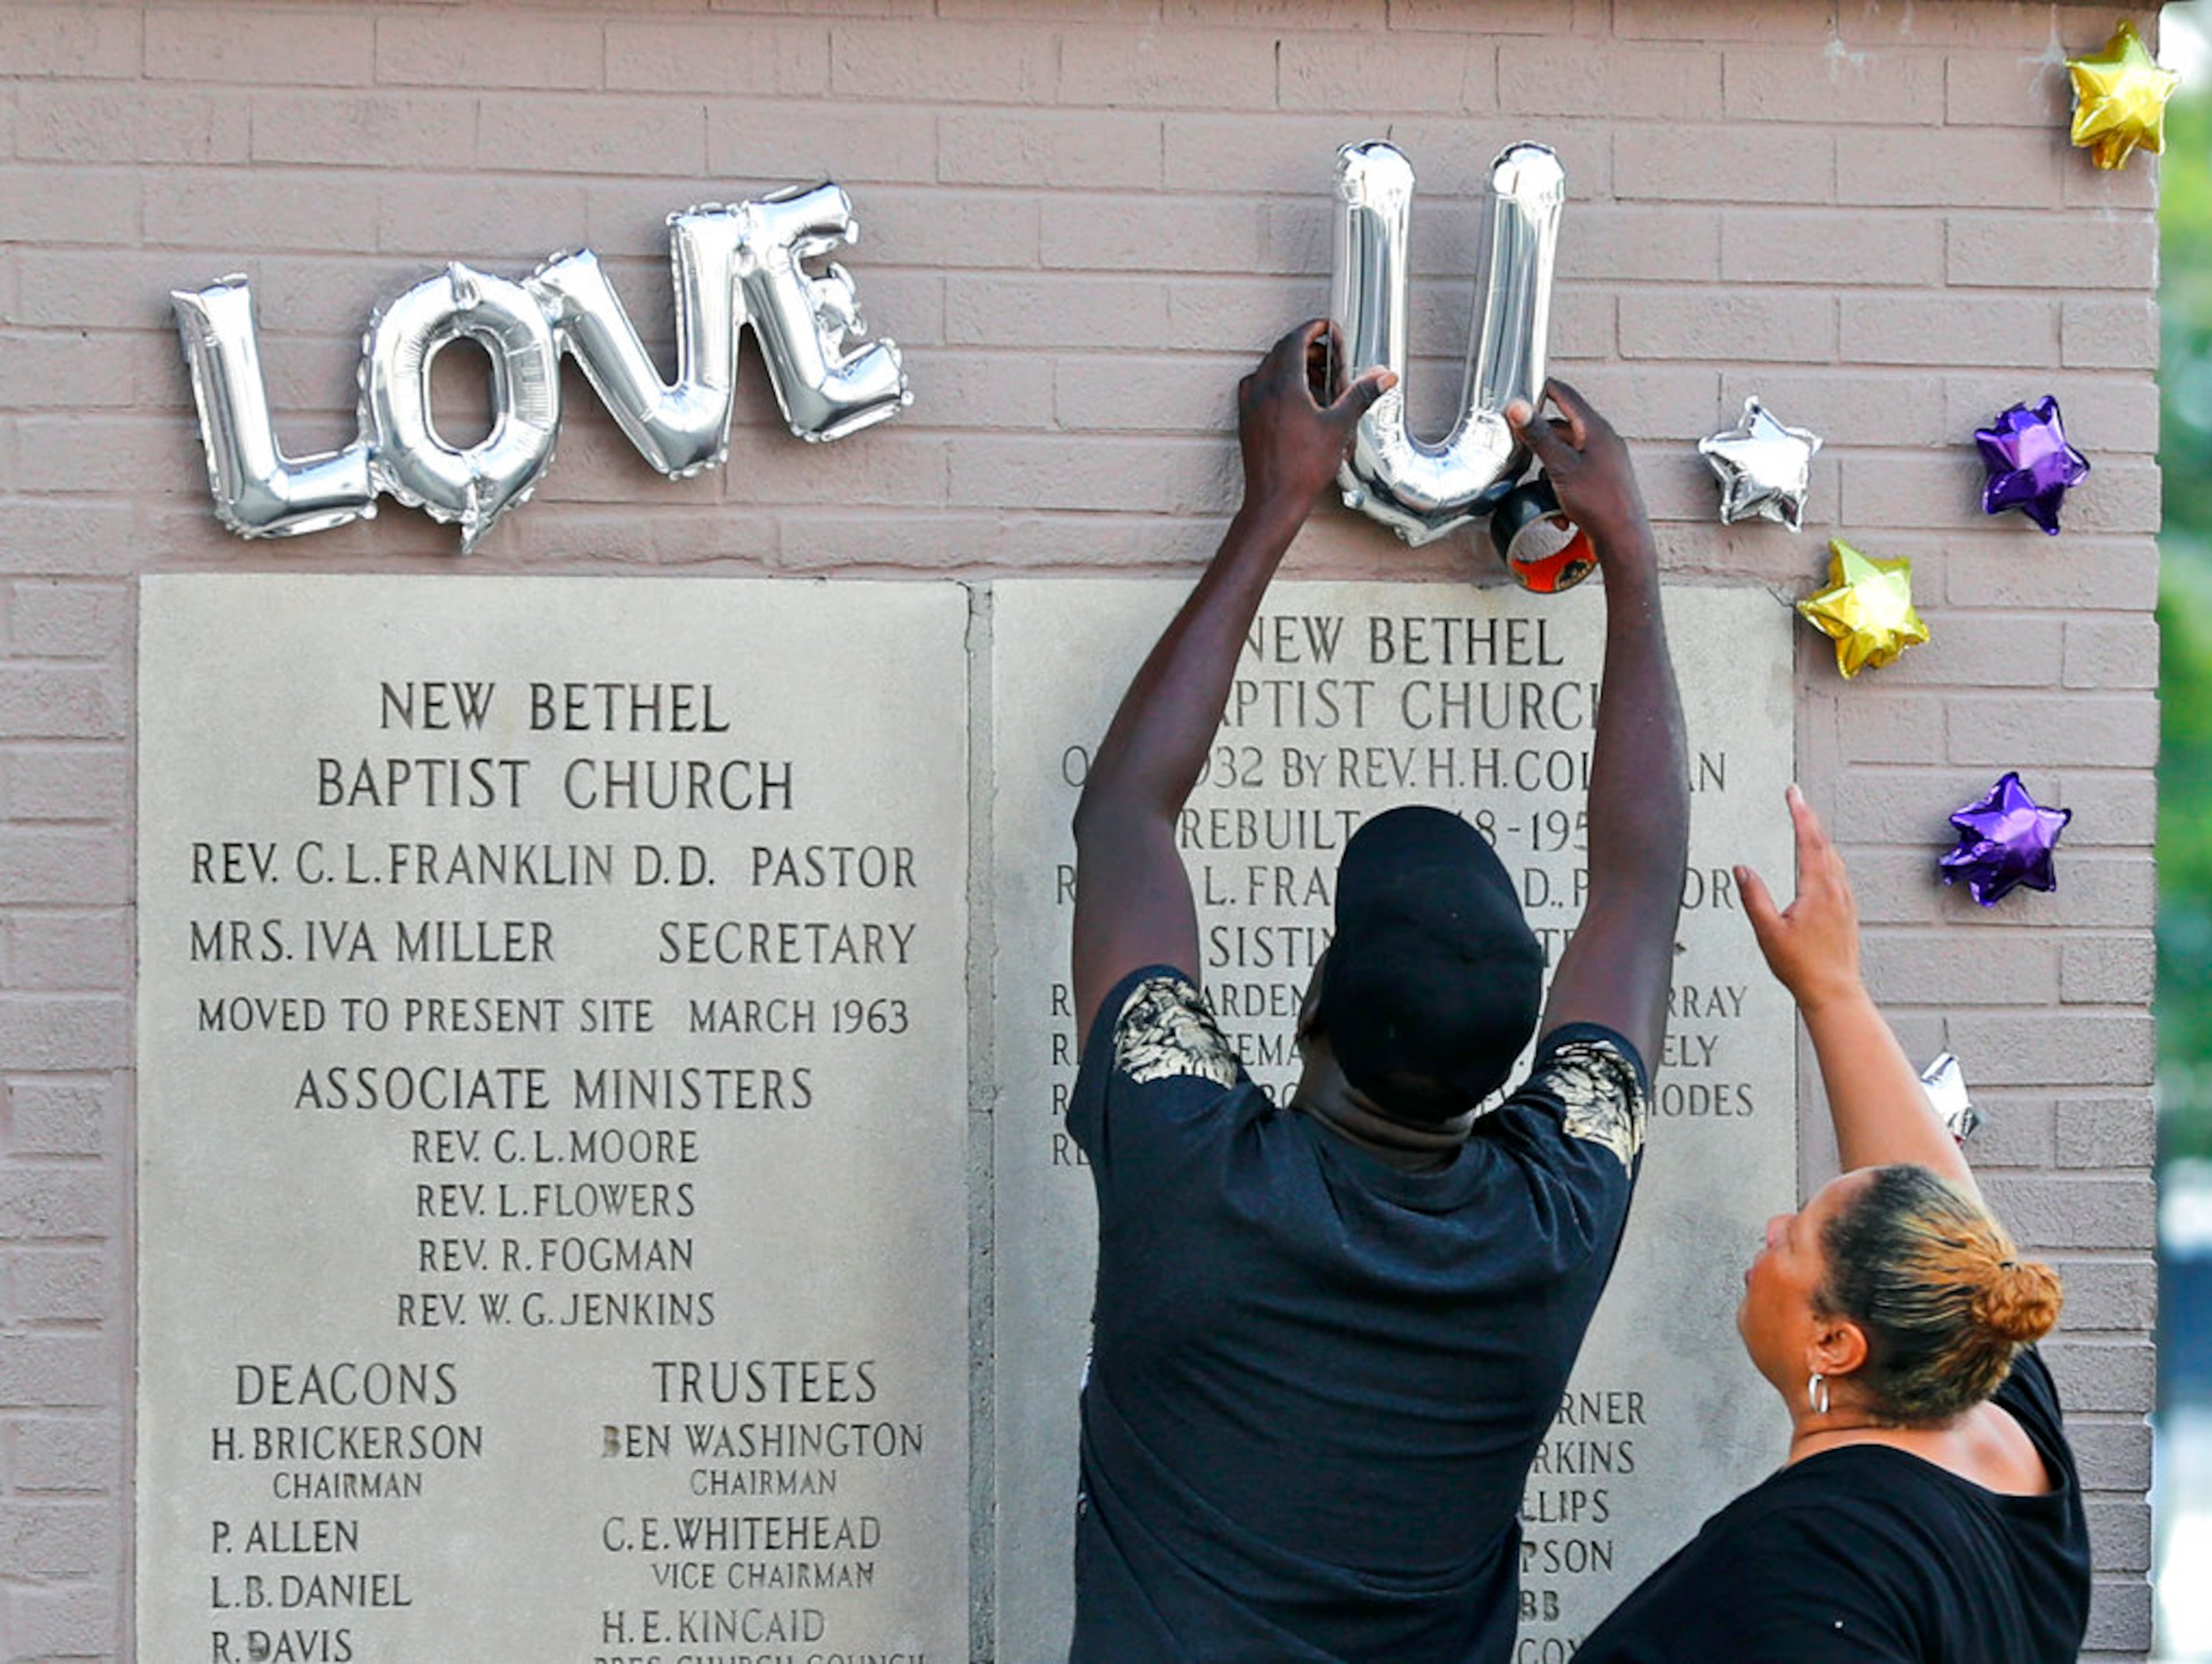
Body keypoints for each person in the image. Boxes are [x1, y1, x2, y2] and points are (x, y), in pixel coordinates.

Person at [1064, 317, 1689, 1661]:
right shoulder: (1551, 1219)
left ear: (1311, 1008)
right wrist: (1634, 563)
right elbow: (1636, 896)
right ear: (1517, 1061)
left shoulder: (1196, 1167)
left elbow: (1125, 815)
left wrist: (1275, 505)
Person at [1574, 785, 2089, 1663]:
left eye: (1798, 1238)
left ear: (1836, 1345)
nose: (1772, 1229)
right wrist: (1831, 991)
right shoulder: (1997, 1426)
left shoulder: (1816, 1559)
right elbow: (1940, 1206)